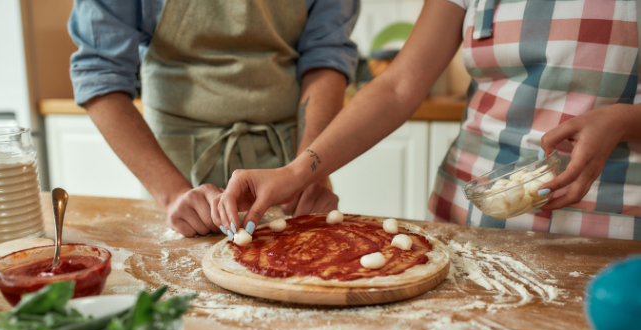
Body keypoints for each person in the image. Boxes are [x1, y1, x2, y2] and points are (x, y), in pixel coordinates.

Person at [213, 0, 641, 240]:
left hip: (604, 229)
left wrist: (625, 121)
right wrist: (295, 172)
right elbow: (399, 86)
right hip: (467, 218)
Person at [68, 0, 360, 238]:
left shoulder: (303, 171)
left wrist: (307, 171)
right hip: (174, 169)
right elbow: (99, 74)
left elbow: (326, 57)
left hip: (293, 163)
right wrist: (172, 194)